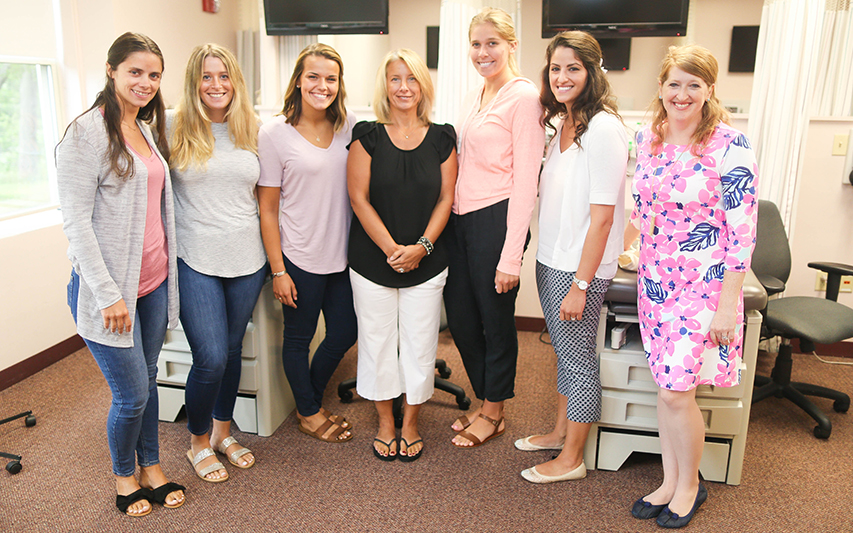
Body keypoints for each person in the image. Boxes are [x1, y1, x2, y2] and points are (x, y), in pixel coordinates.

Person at [626, 45, 758, 528]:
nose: (682, 94)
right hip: (656, 283)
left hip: (705, 286)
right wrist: (615, 255)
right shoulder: (648, 138)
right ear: (661, 87)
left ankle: (690, 486)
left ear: (709, 90)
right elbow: (640, 212)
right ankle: (667, 480)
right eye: (674, 84)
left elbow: (743, 234)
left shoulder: (729, 145)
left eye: (693, 85)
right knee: (667, 390)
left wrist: (728, 306)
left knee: (679, 393)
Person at [56, 32, 185, 517]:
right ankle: (124, 474)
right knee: (131, 396)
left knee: (149, 381)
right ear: (111, 70)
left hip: (152, 283)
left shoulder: (144, 127)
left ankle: (152, 465)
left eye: (154, 74)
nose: (146, 82)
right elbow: (77, 226)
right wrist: (109, 295)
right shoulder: (85, 135)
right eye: (136, 72)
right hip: (110, 292)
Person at [515, 32, 627, 483]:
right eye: (556, 68)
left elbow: (602, 219)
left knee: (578, 359)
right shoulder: (561, 122)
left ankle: (572, 460)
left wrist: (582, 284)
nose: (562, 77)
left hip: (580, 268)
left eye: (573, 68)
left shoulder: (604, 128)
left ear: (592, 73)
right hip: (551, 258)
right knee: (564, 354)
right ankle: (561, 431)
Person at [347, 49, 458, 462]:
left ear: (423, 86)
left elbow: (447, 198)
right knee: (376, 343)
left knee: (419, 343)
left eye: (411, 79)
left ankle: (410, 422)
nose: (403, 88)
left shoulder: (443, 136)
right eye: (395, 79)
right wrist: (393, 249)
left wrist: (421, 248)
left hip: (427, 261)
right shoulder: (367, 135)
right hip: (373, 260)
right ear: (385, 85)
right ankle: (385, 422)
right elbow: (358, 199)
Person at [445, 7, 546, 448]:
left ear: (511, 45)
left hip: (497, 218)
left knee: (495, 318)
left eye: (492, 43)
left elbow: (527, 181)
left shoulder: (523, 98)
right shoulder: (476, 95)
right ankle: (487, 396)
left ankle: (494, 410)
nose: (483, 52)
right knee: (462, 316)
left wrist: (510, 256)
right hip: (460, 219)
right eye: (476, 44)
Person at [167, 44, 267, 482]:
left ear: (235, 82)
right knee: (209, 356)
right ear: (194, 83)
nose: (216, 85)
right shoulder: (171, 127)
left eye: (223, 76)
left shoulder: (254, 129)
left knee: (229, 351)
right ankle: (198, 441)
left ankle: (224, 433)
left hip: (248, 258)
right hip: (196, 257)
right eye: (206, 77)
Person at [257, 43, 357, 443]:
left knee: (344, 333)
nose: (322, 85)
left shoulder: (349, 125)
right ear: (298, 80)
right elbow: (267, 209)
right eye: (313, 76)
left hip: (343, 255)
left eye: (331, 78)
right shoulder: (274, 134)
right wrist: (278, 269)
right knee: (298, 338)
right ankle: (310, 412)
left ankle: (308, 400)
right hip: (299, 255)